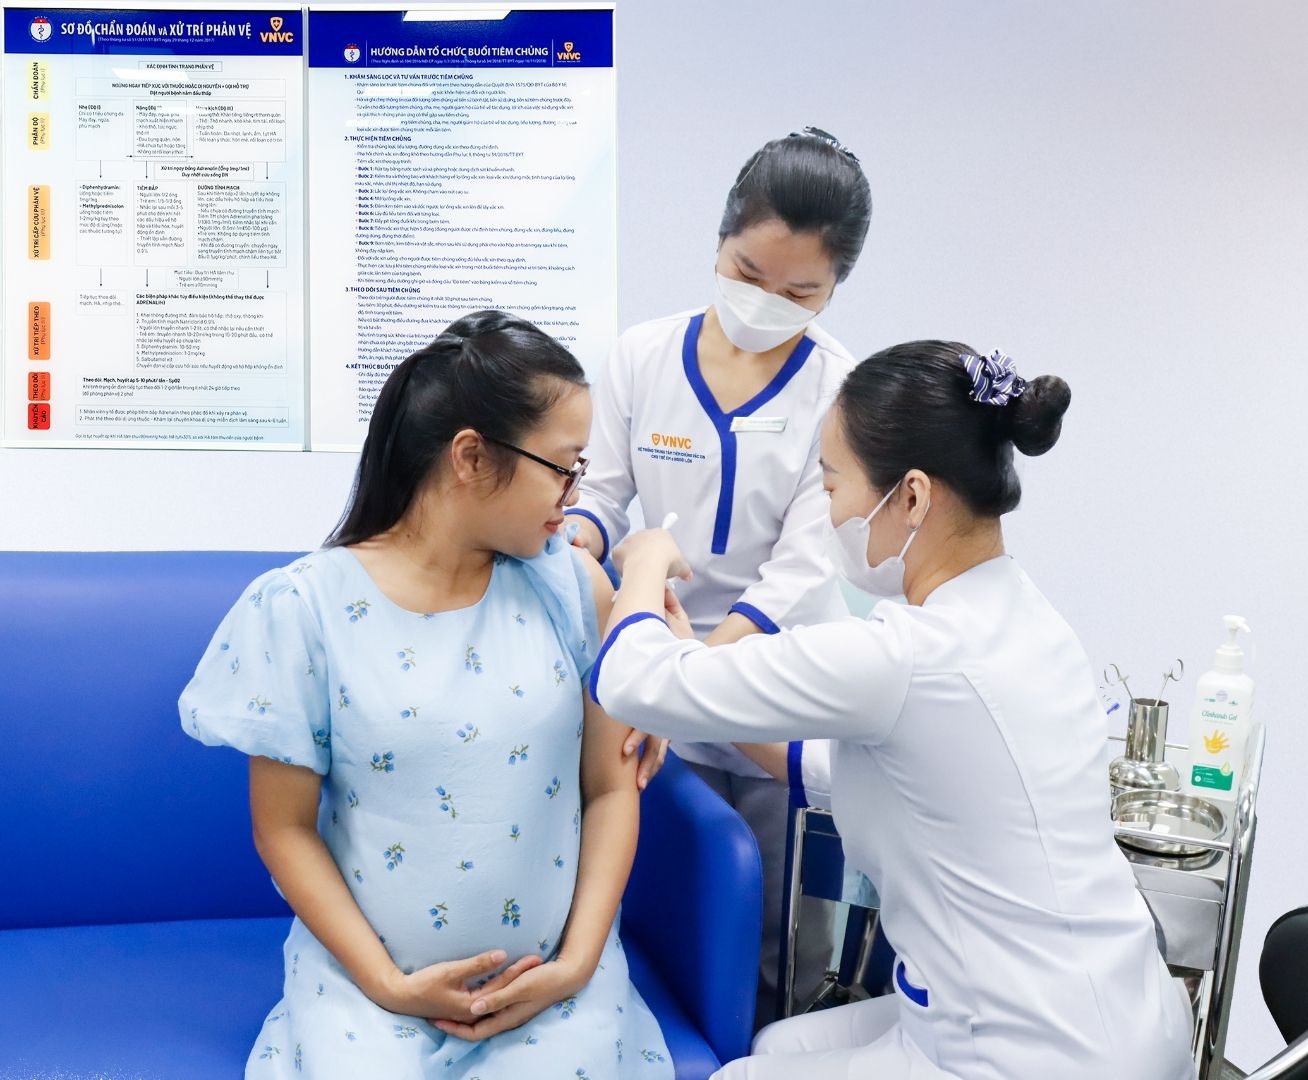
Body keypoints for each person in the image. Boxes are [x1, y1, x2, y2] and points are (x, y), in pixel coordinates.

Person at [589, 341, 1195, 1079]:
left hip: (1031, 1052)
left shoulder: (904, 655)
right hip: (1119, 1010)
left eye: (831, 485)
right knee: (777, 1047)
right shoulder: (1024, 616)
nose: (829, 511)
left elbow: (629, 680)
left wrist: (646, 559)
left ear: (910, 496)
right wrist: (699, 672)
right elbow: (868, 769)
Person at [179, 312, 672, 1079]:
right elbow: (284, 829)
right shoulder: (302, 608)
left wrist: (576, 964)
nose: (573, 496)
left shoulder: (573, 587)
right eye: (561, 467)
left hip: (554, 985)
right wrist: (387, 984)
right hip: (369, 989)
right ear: (470, 456)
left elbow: (610, 788)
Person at [566, 127, 872, 1015]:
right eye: (747, 272)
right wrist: (572, 549)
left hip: (773, 680)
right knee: (664, 902)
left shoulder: (839, 390)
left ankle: (770, 1049)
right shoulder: (642, 356)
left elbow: (803, 562)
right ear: (718, 241)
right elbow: (601, 496)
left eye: (799, 292)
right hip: (653, 666)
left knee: (778, 928)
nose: (766, 302)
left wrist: (696, 671)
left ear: (834, 286)